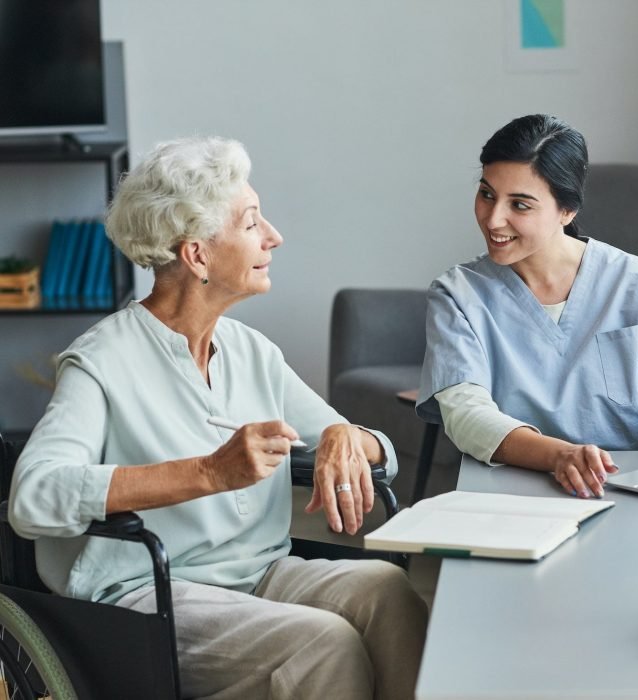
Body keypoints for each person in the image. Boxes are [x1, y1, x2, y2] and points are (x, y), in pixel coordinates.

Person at [10, 136, 427, 700]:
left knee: (389, 591)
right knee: (323, 642)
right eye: (252, 223)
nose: (273, 237)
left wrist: (341, 436)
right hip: (147, 596)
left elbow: (378, 449)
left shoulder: (253, 351)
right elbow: (33, 496)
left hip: (258, 574)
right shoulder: (101, 360)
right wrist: (208, 472)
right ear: (197, 254)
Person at [417, 114, 638, 500]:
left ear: (567, 211)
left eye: (519, 204)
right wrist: (561, 456)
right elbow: (467, 417)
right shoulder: (458, 294)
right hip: (508, 494)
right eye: (487, 194)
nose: (493, 218)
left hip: (627, 491)